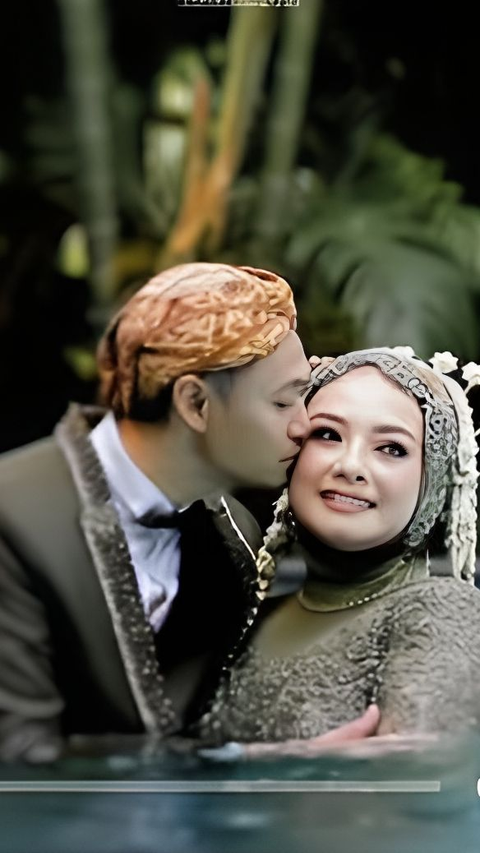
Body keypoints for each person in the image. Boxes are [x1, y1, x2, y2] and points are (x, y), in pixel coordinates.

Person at [0, 263, 378, 762]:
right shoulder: (15, 517)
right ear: (195, 403)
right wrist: (256, 763)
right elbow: (19, 758)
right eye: (284, 402)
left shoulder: (235, 531)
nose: (303, 426)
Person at [198, 347, 480, 750]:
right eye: (327, 434)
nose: (349, 465)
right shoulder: (259, 607)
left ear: (431, 483)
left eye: (391, 448)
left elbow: (418, 789)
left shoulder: (443, 610)